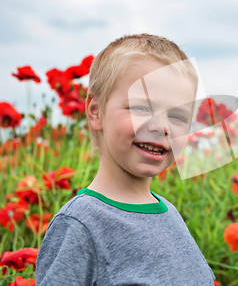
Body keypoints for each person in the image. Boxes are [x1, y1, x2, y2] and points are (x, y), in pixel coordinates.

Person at [35, 33, 216, 285]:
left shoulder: (167, 212)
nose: (161, 126)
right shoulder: (81, 224)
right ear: (96, 111)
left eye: (177, 116)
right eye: (143, 108)